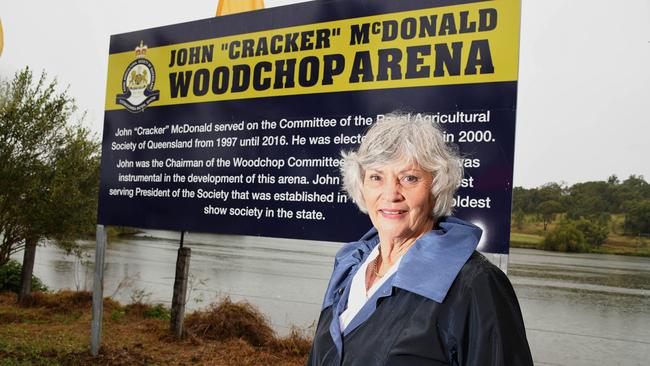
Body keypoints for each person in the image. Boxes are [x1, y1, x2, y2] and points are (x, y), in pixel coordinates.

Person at [307, 113, 533, 365]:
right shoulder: (350, 265)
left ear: (437, 187)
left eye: (409, 178)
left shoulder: (475, 284)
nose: (391, 194)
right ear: (360, 185)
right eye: (376, 177)